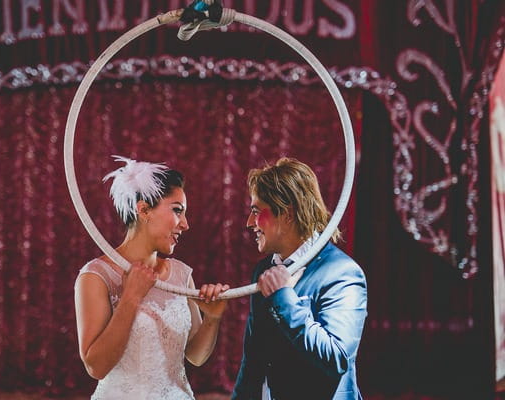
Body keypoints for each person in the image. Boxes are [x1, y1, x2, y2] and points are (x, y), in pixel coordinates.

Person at [75, 156, 228, 399]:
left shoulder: (181, 274)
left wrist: (212, 318)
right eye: (177, 210)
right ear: (144, 210)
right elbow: (96, 367)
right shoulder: (95, 276)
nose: (185, 224)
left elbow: (196, 357)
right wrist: (131, 298)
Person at [232, 157, 367, 400]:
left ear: (287, 214)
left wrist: (284, 298)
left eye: (256, 211)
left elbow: (336, 358)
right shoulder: (263, 269)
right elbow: (254, 360)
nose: (249, 223)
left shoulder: (342, 273)